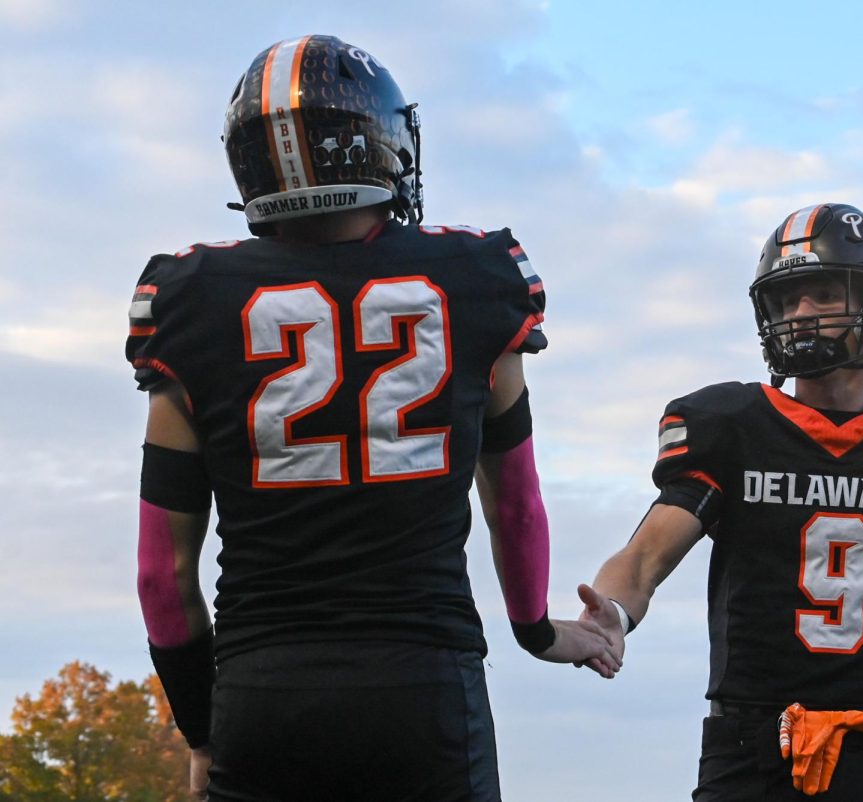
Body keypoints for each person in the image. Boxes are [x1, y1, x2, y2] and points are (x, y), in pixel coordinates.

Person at [127, 34, 619, 801]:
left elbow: (162, 575)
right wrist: (536, 631)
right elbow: (516, 507)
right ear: (379, 142)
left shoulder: (189, 300)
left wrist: (202, 734)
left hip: (262, 693)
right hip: (424, 687)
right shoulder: (475, 278)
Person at [575, 203, 863, 800]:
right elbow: (644, 557)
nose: (800, 314)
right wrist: (613, 611)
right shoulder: (734, 422)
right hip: (749, 734)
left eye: (822, 293)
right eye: (787, 300)